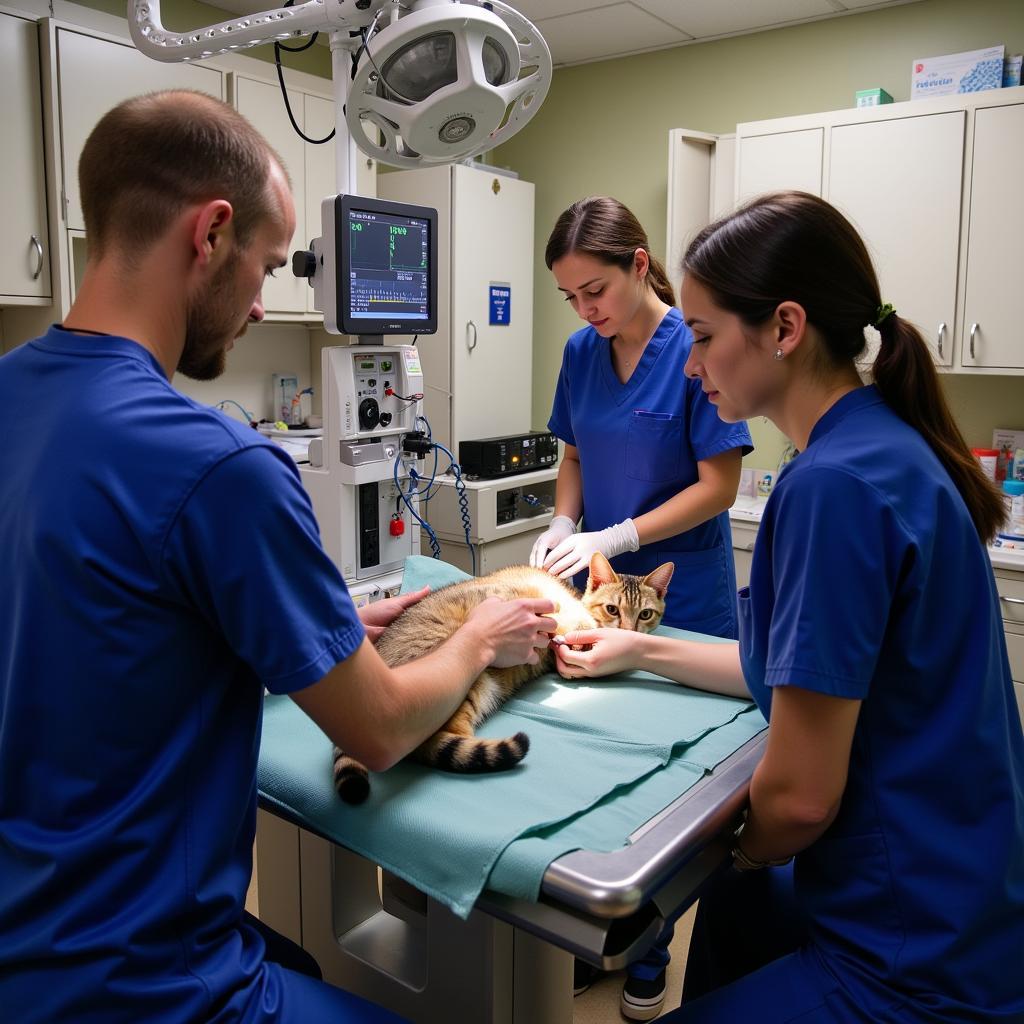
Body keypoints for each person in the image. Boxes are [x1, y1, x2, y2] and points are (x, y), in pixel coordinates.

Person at [0, 90, 559, 1024]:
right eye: (264, 265)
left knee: (301, 952)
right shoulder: (219, 464)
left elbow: (99, 631)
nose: (262, 302)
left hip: (23, 945)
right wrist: (476, 636)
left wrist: (305, 632)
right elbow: (377, 732)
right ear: (210, 233)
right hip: (142, 983)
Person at [554, 191, 1024, 1022]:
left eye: (701, 338)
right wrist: (641, 651)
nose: (690, 365)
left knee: (734, 884)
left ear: (784, 328)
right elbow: (797, 668)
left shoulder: (831, 490)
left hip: (910, 949)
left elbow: (800, 802)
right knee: (736, 923)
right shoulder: (881, 445)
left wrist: (720, 850)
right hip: (963, 887)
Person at [529, 196, 752, 1020]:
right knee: (603, 760)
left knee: (674, 785)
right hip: (595, 587)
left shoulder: (687, 352)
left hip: (677, 592)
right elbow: (575, 452)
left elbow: (717, 486)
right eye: (571, 298)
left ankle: (651, 948)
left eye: (596, 290)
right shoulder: (582, 354)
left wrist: (620, 534)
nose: (586, 311)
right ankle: (601, 933)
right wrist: (562, 522)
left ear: (638, 265)